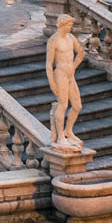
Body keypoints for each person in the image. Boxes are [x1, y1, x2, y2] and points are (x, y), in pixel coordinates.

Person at [45, 14, 84, 145]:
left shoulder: (71, 38)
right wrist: (52, 83)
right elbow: (49, 64)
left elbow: (81, 52)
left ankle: (68, 131)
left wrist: (74, 66)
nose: (71, 27)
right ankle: (60, 136)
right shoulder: (53, 41)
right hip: (60, 73)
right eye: (69, 25)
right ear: (62, 25)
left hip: (70, 74)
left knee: (77, 106)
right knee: (63, 105)